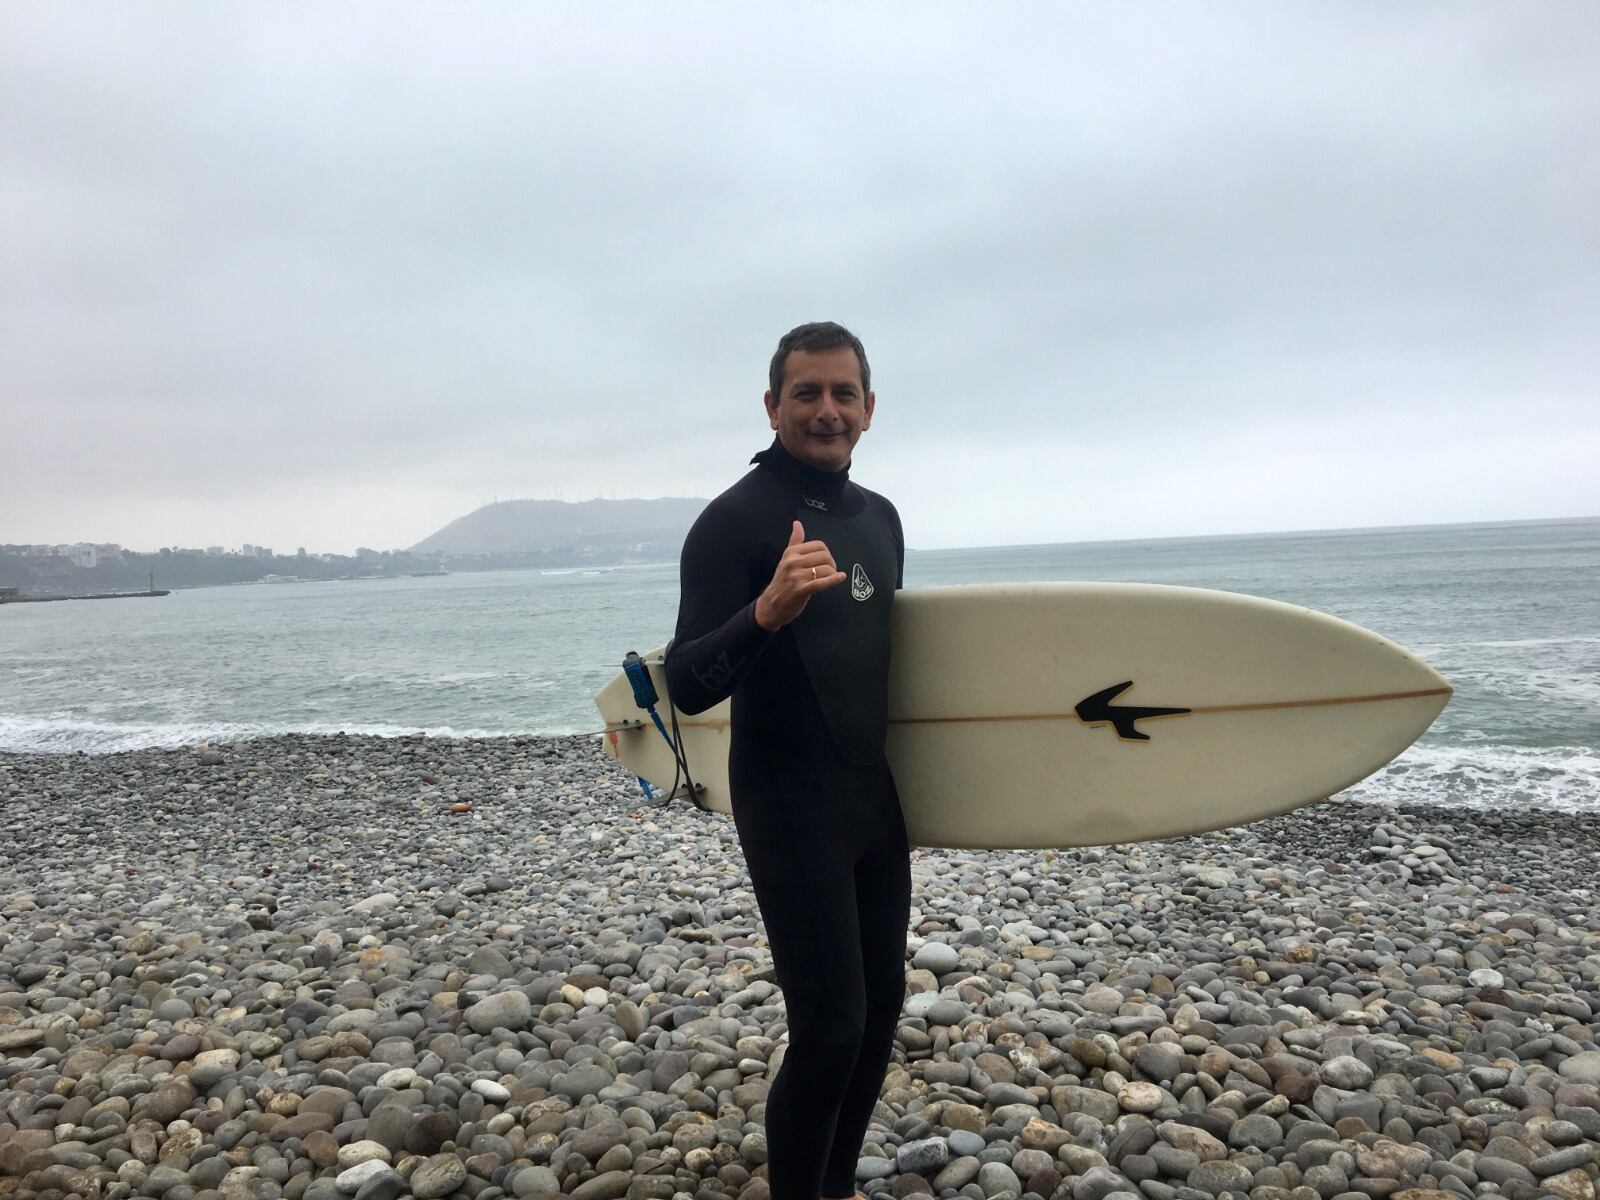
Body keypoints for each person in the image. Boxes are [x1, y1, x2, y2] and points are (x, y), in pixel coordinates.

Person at [665, 322, 910, 1200]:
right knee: (830, 1029)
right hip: (786, 802)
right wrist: (766, 611)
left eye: (844, 393)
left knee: (880, 1013)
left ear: (870, 410)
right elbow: (688, 683)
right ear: (772, 405)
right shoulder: (734, 522)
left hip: (872, 801)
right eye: (805, 392)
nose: (826, 410)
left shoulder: (880, 519)